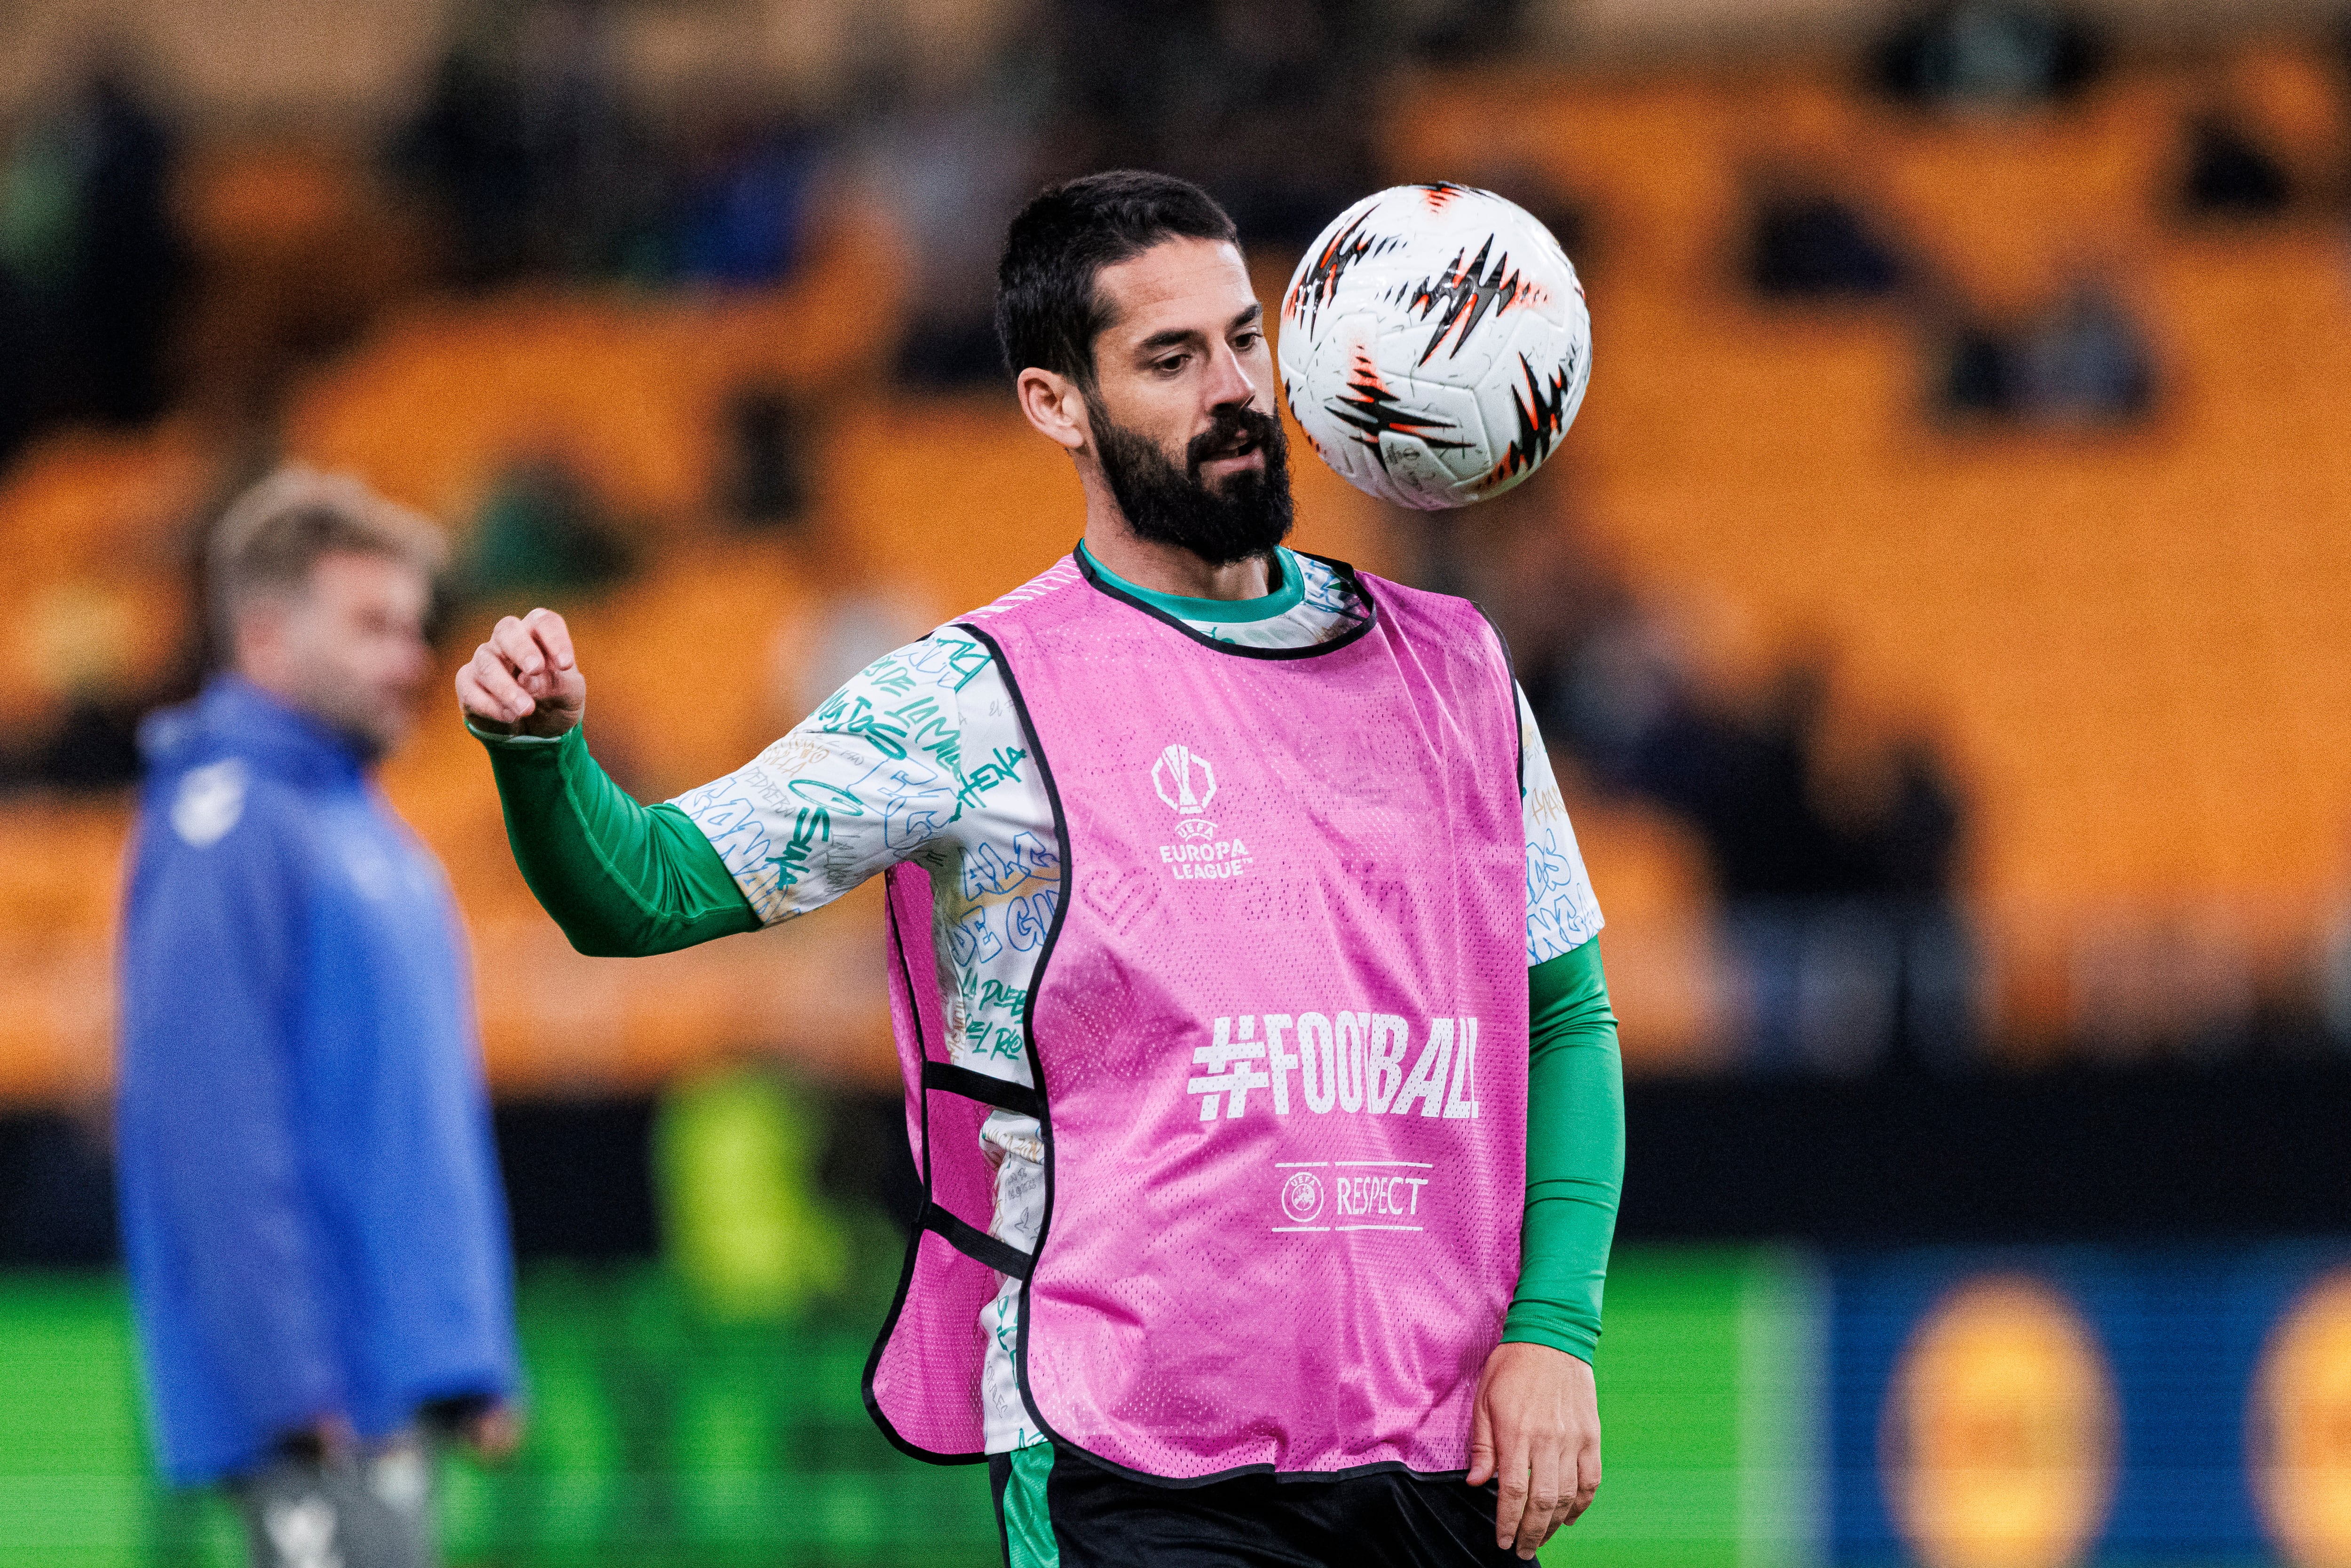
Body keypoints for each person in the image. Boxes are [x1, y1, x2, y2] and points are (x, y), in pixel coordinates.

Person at [458, 170, 1623, 1565]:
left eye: (1245, 338)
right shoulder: (970, 706)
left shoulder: (1457, 669)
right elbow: (642, 889)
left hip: (1435, 1455)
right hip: (1135, 1466)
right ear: (1055, 404)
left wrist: (1552, 1330)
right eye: (1171, 359)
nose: (1236, 390)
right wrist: (542, 756)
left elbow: (1564, 1014)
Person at [117, 468, 522, 1568]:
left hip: (390, 1386)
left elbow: (409, 1121)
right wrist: (288, 1386)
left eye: (412, 626)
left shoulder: (369, 833)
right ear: (262, 633)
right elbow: (214, 1132)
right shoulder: (226, 827)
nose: (409, 658)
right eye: (371, 625)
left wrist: (467, 1352)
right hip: (319, 1410)